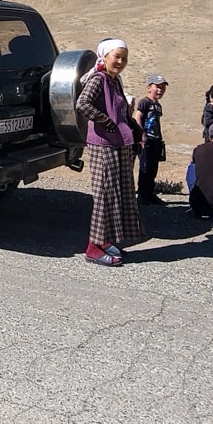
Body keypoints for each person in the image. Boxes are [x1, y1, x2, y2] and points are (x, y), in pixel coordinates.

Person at [75, 39, 146, 266]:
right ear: (104, 56)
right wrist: (104, 120)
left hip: (117, 144)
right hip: (103, 146)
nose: (121, 61)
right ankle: (93, 248)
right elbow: (83, 103)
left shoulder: (114, 80)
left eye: (124, 57)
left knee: (118, 193)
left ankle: (105, 241)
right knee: (104, 195)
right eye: (117, 56)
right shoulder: (98, 79)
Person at [132, 74, 168, 205]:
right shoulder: (144, 102)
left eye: (163, 87)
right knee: (145, 167)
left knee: (153, 168)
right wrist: (141, 135)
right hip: (146, 140)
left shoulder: (158, 105)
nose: (160, 90)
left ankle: (150, 193)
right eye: (157, 87)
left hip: (156, 140)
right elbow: (138, 117)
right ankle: (142, 195)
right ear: (149, 88)